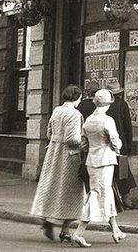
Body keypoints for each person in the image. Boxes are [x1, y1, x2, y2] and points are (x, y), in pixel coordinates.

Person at [30, 84, 87, 245]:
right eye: (80, 98)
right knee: (73, 192)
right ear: (77, 98)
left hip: (53, 153)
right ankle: (65, 229)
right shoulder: (74, 114)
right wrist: (84, 142)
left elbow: (48, 132)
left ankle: (48, 219)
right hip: (69, 157)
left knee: (51, 187)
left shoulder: (57, 110)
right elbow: (71, 139)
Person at [73, 89, 126, 247]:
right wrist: (117, 147)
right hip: (105, 160)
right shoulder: (107, 120)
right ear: (108, 104)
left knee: (105, 193)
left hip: (92, 161)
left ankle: (116, 230)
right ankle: (78, 232)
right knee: (97, 195)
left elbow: (83, 144)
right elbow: (116, 142)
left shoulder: (89, 120)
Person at [107, 85, 136, 210]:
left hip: (106, 143)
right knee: (123, 172)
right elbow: (128, 127)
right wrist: (129, 145)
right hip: (120, 143)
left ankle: (114, 200)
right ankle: (125, 199)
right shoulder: (122, 104)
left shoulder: (104, 105)